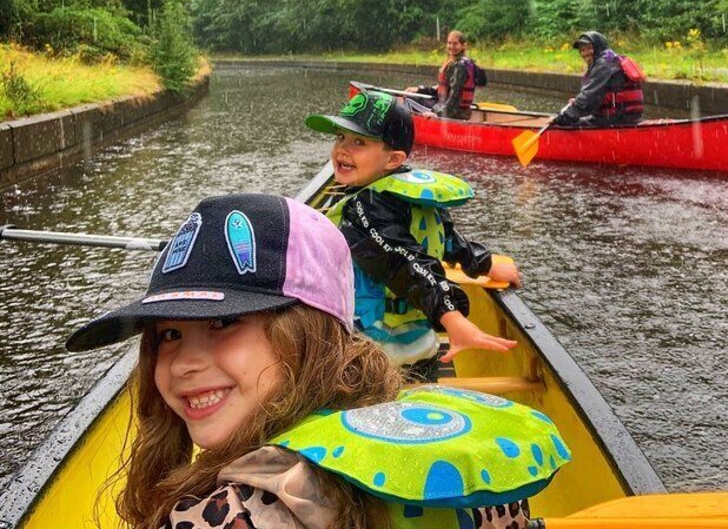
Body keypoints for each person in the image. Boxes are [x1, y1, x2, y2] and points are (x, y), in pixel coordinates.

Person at [63, 193, 569, 528]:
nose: (182, 364)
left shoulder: (212, 518)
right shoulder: (478, 479)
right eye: (169, 333)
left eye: (223, 323)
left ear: (308, 333)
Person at [305, 90, 522, 376]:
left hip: (370, 355)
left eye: (359, 142)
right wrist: (486, 263)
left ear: (394, 159)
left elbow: (405, 263)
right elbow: (447, 240)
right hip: (420, 348)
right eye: (340, 138)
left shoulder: (362, 208)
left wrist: (450, 316)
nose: (341, 150)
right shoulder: (412, 196)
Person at [553, 30, 645, 128]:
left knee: (569, 124)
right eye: (582, 50)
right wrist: (576, 105)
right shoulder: (610, 59)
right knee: (578, 118)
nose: (585, 53)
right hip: (626, 118)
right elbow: (592, 99)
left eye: (589, 48)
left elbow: (588, 97)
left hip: (617, 120)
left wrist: (565, 117)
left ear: (598, 47)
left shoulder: (604, 64)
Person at [405, 30, 479, 120]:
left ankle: (415, 131)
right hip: (448, 109)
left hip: (454, 114)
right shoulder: (456, 63)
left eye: (455, 44)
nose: (451, 47)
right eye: (449, 43)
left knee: (408, 100)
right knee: (414, 96)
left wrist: (438, 114)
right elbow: (442, 88)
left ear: (463, 46)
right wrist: (419, 89)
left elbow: (455, 95)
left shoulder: (460, 66)